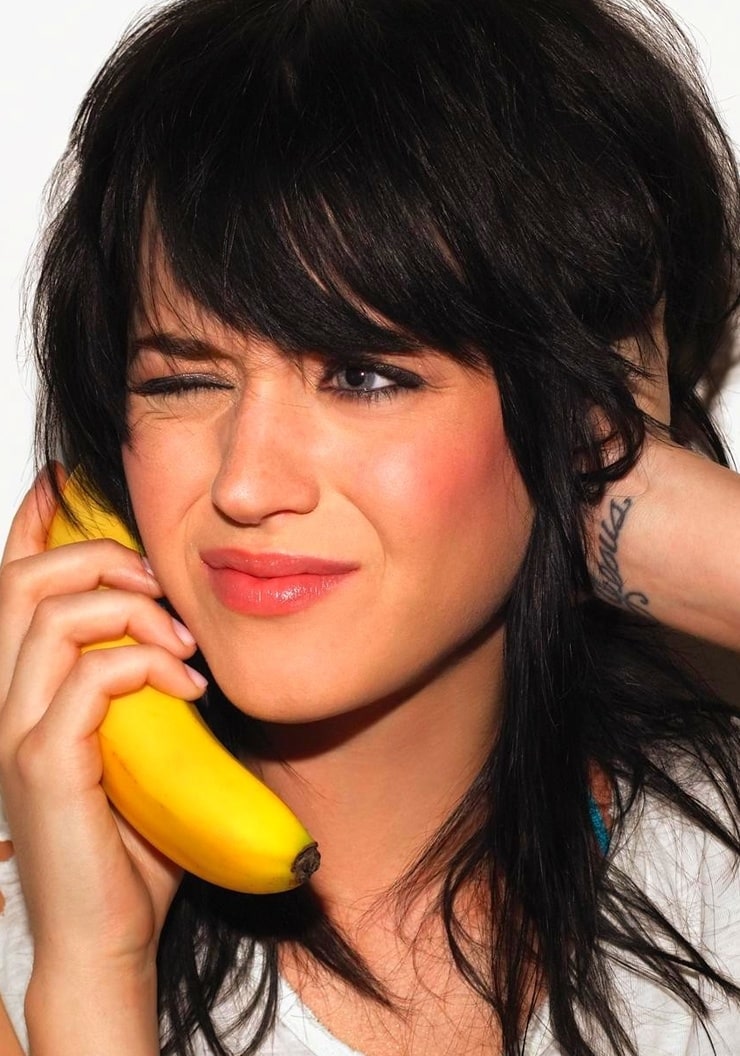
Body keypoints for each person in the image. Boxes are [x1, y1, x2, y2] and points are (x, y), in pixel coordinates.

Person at [1, 0, 739, 1052]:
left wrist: (633, 497)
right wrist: (95, 984)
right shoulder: (43, 963)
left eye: (362, 375)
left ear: (577, 410)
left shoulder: (716, 873)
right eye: (182, 381)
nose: (246, 483)